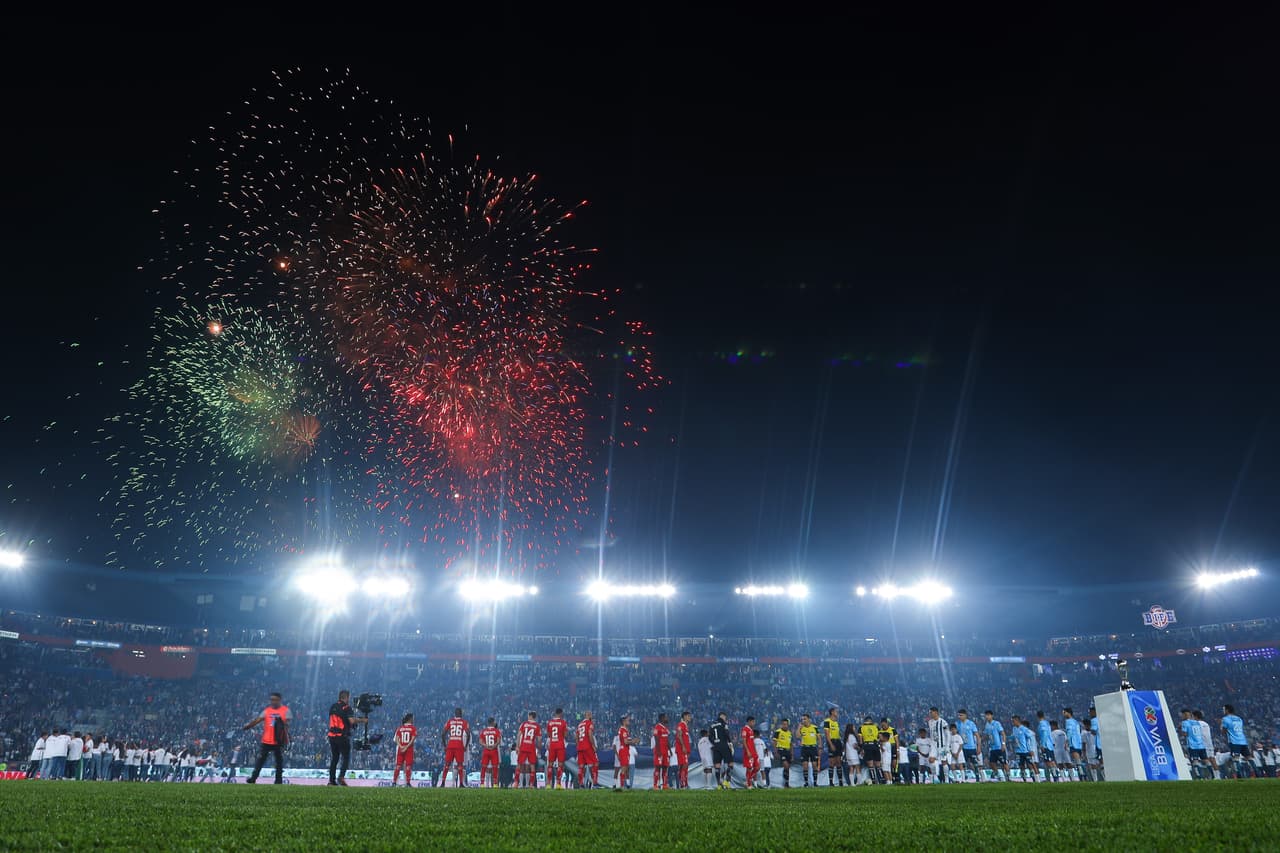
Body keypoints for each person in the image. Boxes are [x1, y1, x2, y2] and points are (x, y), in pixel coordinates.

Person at [243, 691, 291, 785]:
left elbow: (287, 725)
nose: (273, 701)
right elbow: (258, 720)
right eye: (271, 700)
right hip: (266, 740)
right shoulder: (267, 710)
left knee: (279, 762)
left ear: (279, 700)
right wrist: (249, 726)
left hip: (278, 740)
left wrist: (285, 737)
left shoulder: (285, 710)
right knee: (260, 761)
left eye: (275, 700)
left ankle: (278, 781)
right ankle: (253, 778)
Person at [325, 690, 366, 787]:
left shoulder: (333, 707)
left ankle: (331, 781)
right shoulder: (347, 708)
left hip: (332, 735)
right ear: (346, 697)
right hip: (342, 736)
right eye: (348, 698)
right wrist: (362, 720)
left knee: (334, 758)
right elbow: (351, 721)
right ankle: (341, 777)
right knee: (346, 757)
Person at [442, 707, 471, 788]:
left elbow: (443, 734)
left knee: (447, 764)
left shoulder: (450, 721)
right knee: (460, 765)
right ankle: (461, 783)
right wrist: (465, 745)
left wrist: (445, 746)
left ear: (455, 714)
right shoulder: (464, 722)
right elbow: (468, 734)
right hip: (459, 745)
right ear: (461, 714)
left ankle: (443, 782)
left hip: (451, 744)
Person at [1221, 704, 1250, 778]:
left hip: (1234, 741)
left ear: (1227, 710)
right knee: (1248, 757)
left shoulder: (1225, 719)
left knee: (1235, 758)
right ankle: (1256, 773)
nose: (1223, 711)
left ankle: (1240, 775)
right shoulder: (1239, 718)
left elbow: (1223, 731)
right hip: (1243, 740)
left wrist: (1221, 726)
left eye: (1224, 709)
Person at [981, 710, 1010, 782]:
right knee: (992, 763)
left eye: (988, 715)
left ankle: (1008, 777)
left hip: (999, 747)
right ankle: (998, 775)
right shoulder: (987, 725)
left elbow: (1003, 734)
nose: (987, 717)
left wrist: (1003, 744)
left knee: (1004, 763)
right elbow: (986, 735)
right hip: (992, 747)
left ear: (992, 716)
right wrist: (981, 740)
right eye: (986, 715)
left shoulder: (997, 723)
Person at [1063, 708, 1091, 781]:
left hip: (1073, 743)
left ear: (1069, 713)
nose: (1063, 714)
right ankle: (1085, 776)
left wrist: (1066, 742)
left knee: (1077, 761)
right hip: (1079, 743)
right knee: (1079, 761)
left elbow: (1069, 732)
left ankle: (1082, 776)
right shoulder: (1076, 722)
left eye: (1064, 712)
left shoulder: (1068, 721)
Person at [516, 711, 541, 789]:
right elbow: (539, 739)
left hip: (523, 746)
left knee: (519, 765)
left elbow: (519, 735)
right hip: (531, 747)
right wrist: (539, 748)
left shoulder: (524, 724)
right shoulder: (537, 726)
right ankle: (530, 784)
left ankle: (518, 784)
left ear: (530, 716)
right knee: (532, 766)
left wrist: (517, 746)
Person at [709, 712, 734, 789]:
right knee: (730, 763)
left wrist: (715, 743)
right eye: (725, 717)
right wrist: (730, 742)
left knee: (717, 765)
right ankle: (727, 781)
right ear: (722, 716)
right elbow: (726, 733)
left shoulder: (712, 725)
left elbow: (710, 737)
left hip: (716, 746)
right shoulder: (723, 723)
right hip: (724, 745)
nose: (725, 719)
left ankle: (719, 785)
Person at [545, 708, 568, 789]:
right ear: (561, 713)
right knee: (560, 765)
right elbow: (565, 735)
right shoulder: (563, 722)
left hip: (552, 745)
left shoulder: (550, 722)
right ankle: (558, 784)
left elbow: (548, 734)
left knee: (550, 765)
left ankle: (548, 784)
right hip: (560, 745)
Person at [392, 713, 417, 787]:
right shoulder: (413, 728)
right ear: (410, 719)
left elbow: (396, 739)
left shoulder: (400, 728)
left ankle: (394, 782)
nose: (413, 719)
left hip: (401, 749)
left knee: (398, 766)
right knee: (408, 766)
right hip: (408, 749)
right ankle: (408, 783)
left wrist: (401, 746)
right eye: (413, 718)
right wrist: (406, 747)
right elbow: (413, 739)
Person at [955, 710, 980, 783]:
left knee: (974, 763)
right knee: (963, 763)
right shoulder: (957, 724)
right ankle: (964, 777)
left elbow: (977, 735)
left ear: (965, 715)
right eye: (959, 715)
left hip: (971, 747)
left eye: (961, 715)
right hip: (962, 748)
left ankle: (977, 777)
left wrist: (978, 747)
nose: (959, 717)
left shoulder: (971, 723)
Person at [614, 714, 637, 791]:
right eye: (627, 720)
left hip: (625, 750)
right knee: (624, 769)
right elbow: (626, 742)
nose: (629, 721)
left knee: (626, 769)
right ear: (624, 721)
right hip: (623, 751)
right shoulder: (623, 730)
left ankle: (626, 785)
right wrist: (633, 741)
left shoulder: (624, 730)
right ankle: (621, 786)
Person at [575, 712, 597, 789]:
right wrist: (593, 745)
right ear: (589, 715)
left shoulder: (579, 724)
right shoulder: (589, 723)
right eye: (591, 715)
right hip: (587, 746)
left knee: (581, 766)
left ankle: (581, 784)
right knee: (594, 764)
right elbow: (590, 734)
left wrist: (578, 745)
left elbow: (576, 736)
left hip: (580, 747)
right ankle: (595, 784)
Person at [926, 708, 949, 784]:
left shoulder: (943, 722)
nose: (930, 714)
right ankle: (935, 777)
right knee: (931, 760)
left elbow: (947, 734)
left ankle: (946, 779)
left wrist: (947, 746)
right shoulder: (930, 722)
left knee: (944, 761)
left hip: (942, 745)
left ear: (936, 712)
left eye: (931, 712)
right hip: (933, 745)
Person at [1010, 716, 1036, 782]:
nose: (1012, 722)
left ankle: (1034, 778)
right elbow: (1013, 737)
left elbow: (1029, 739)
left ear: (1017, 720)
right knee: (1021, 765)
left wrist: (1031, 749)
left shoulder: (1024, 729)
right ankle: (1024, 779)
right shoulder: (1014, 729)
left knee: (1029, 764)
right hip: (1018, 751)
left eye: (1013, 721)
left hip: (1026, 751)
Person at [798, 714, 821, 786]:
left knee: (814, 765)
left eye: (805, 719)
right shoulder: (802, 728)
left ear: (809, 719)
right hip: (804, 748)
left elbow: (819, 737)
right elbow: (797, 736)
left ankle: (815, 782)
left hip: (813, 748)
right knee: (805, 766)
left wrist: (820, 746)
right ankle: (806, 783)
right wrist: (799, 728)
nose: (803, 720)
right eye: (802, 719)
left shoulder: (814, 727)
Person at [823, 708, 844, 787]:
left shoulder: (836, 722)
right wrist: (831, 744)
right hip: (832, 742)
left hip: (838, 742)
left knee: (839, 762)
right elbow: (827, 734)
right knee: (831, 762)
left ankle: (841, 781)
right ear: (832, 712)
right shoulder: (827, 721)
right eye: (836, 711)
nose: (837, 713)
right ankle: (831, 782)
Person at [480, 717, 503, 788]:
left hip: (486, 750)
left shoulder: (484, 731)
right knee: (495, 767)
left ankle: (482, 784)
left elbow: (480, 741)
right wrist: (493, 746)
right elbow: (498, 741)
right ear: (493, 722)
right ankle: (495, 784)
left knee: (484, 767)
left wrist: (485, 745)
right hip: (494, 750)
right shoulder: (496, 731)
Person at [859, 716, 883, 784]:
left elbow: (860, 740)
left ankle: (873, 780)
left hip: (867, 746)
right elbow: (880, 737)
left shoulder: (861, 727)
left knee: (871, 765)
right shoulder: (876, 727)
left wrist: (861, 748)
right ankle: (882, 779)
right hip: (875, 746)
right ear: (871, 721)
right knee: (878, 765)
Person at [652, 713, 672, 790]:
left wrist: (670, 750)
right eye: (666, 717)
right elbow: (656, 738)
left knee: (665, 767)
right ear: (662, 718)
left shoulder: (666, 728)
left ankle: (664, 785)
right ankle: (655, 785)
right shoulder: (657, 727)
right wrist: (658, 750)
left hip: (665, 751)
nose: (667, 719)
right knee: (657, 767)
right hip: (659, 751)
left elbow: (667, 740)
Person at [674, 711, 693, 789]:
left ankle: (684, 783)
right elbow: (679, 735)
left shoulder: (685, 726)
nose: (690, 717)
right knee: (683, 766)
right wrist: (683, 747)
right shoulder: (681, 724)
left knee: (684, 766)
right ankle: (683, 784)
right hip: (681, 749)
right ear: (684, 716)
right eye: (688, 716)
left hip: (685, 749)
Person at [773, 718, 794, 787]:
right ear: (781, 725)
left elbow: (791, 744)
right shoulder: (778, 732)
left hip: (788, 751)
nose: (785, 726)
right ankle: (786, 783)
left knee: (787, 768)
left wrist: (792, 754)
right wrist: (775, 752)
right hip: (781, 750)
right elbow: (774, 742)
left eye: (786, 724)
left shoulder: (790, 733)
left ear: (788, 725)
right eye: (783, 724)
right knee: (786, 765)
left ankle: (786, 783)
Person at [741, 716, 759, 789]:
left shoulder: (751, 730)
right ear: (749, 721)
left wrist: (755, 751)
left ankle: (748, 780)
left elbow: (752, 742)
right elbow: (744, 741)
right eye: (753, 722)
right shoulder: (745, 729)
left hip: (753, 752)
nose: (754, 723)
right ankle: (749, 784)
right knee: (749, 768)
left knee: (757, 767)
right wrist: (748, 751)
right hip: (748, 752)